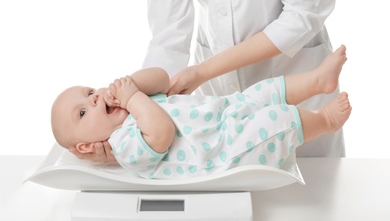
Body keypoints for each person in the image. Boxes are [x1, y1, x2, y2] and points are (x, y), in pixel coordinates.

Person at [51, 45, 351, 179]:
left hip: (225, 112)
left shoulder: (133, 104)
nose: (92, 99)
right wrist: (132, 100)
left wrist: (133, 85)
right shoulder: (124, 145)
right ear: (87, 145)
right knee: (277, 121)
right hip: (224, 148)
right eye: (82, 113)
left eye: (90, 92)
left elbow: (161, 79)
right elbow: (161, 132)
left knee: (264, 91)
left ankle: (317, 81)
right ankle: (325, 120)